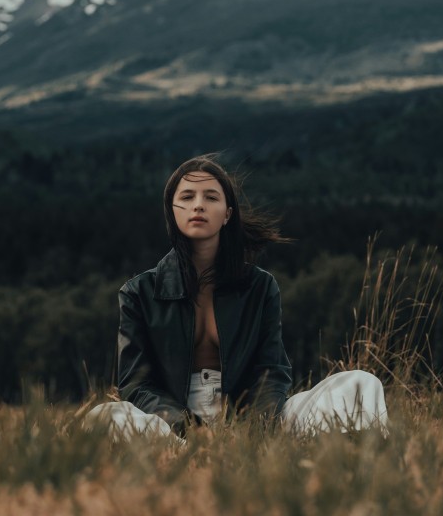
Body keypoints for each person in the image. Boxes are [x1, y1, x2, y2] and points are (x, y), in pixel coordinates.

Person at [86, 155, 388, 441]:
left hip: (255, 417)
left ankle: (355, 459)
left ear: (228, 214)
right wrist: (187, 427)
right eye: (187, 197)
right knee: (104, 416)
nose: (199, 206)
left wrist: (255, 427)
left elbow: (272, 371)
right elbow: (136, 385)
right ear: (172, 210)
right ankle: (180, 452)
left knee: (361, 383)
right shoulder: (138, 292)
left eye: (211, 197)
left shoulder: (259, 286)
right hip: (169, 423)